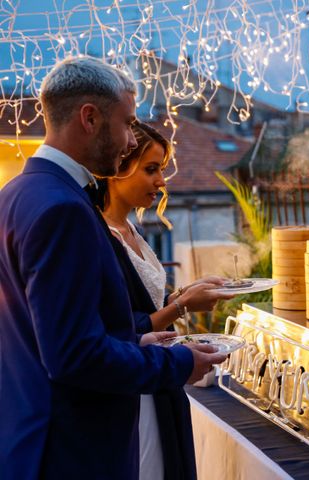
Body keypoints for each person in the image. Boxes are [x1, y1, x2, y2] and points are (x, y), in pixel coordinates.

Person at [0, 56, 227, 480]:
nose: (128, 140)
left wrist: (133, 337)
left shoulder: (14, 193)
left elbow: (44, 327)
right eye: (126, 122)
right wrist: (178, 363)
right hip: (72, 450)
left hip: (26, 435)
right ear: (89, 117)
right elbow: (73, 356)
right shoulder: (63, 209)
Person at [98, 121, 235, 480]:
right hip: (136, 390)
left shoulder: (134, 230)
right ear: (117, 169)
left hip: (158, 378)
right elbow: (123, 328)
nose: (162, 182)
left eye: (161, 169)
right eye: (151, 169)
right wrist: (183, 306)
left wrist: (184, 294)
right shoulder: (99, 237)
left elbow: (145, 305)